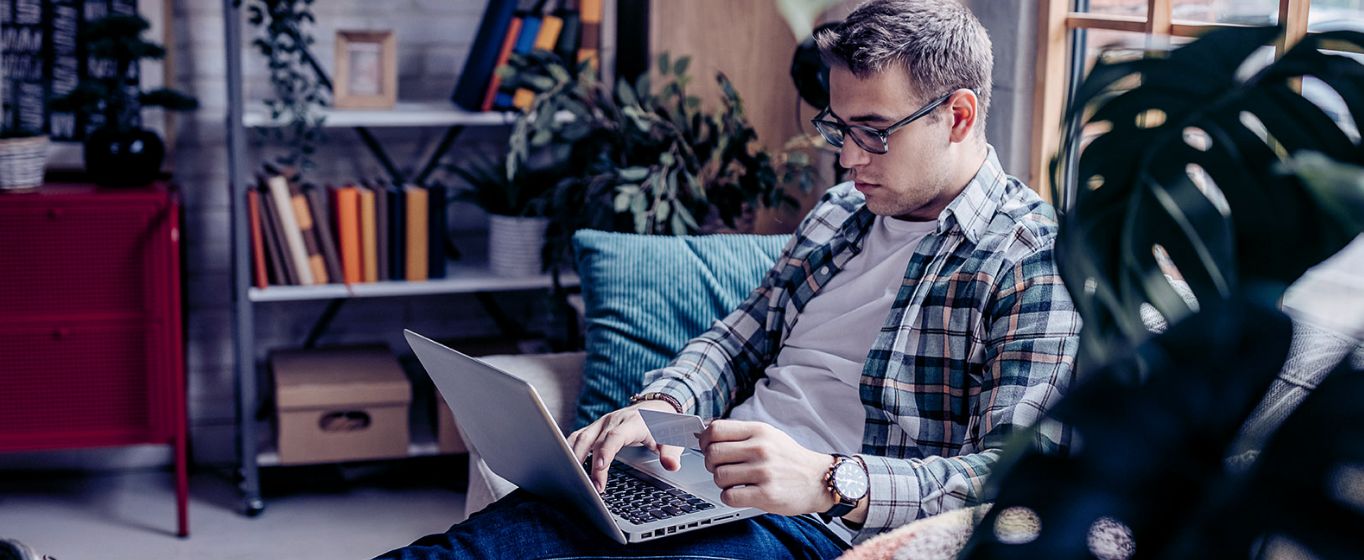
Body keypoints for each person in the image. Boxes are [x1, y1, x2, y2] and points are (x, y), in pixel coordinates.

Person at [379, 0, 1079, 557]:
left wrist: (831, 481)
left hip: (811, 525)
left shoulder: (1030, 259)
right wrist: (656, 406)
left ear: (958, 115)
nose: (847, 159)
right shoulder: (842, 213)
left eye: (873, 130)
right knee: (453, 554)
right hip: (695, 475)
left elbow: (1015, 473)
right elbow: (737, 338)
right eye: (839, 129)